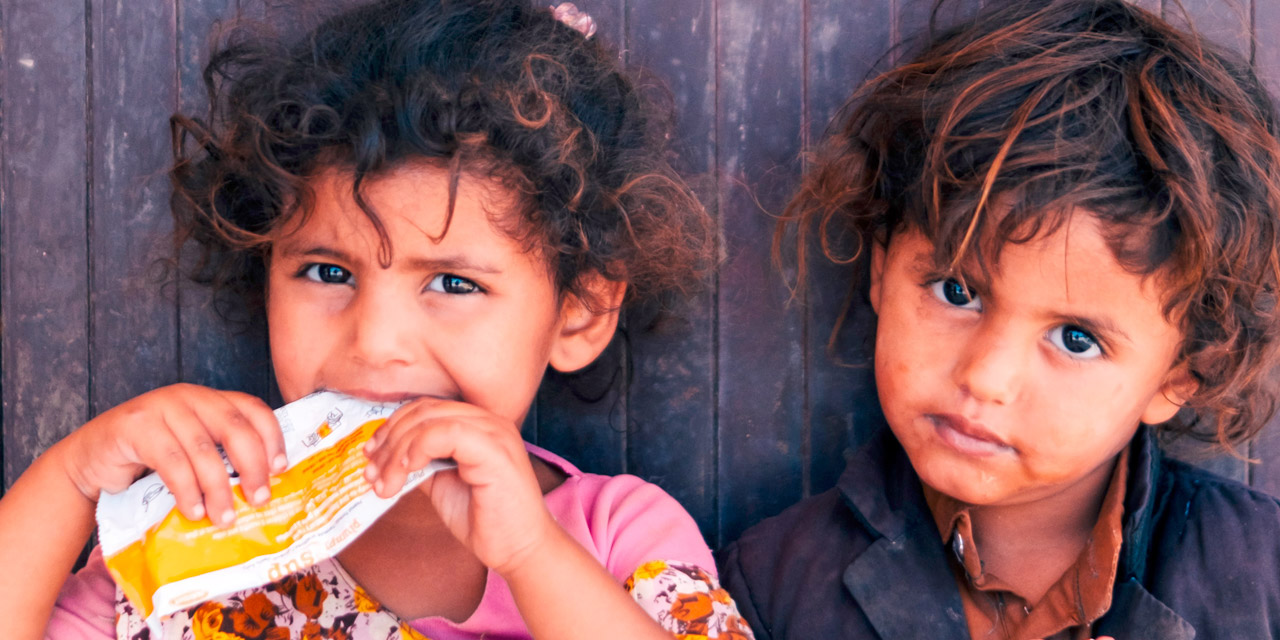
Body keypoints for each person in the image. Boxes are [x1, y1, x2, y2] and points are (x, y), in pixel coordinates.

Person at [0, 1, 754, 638]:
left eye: (454, 283)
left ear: (579, 314)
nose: (376, 343)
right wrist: (71, 480)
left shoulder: (615, 534)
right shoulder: (197, 523)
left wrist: (531, 553)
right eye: (328, 273)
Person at [718, 0, 1280, 638]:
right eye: (957, 291)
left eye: (1076, 339)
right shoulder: (773, 586)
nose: (986, 377)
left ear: (1177, 377)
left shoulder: (1263, 579)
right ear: (881, 269)